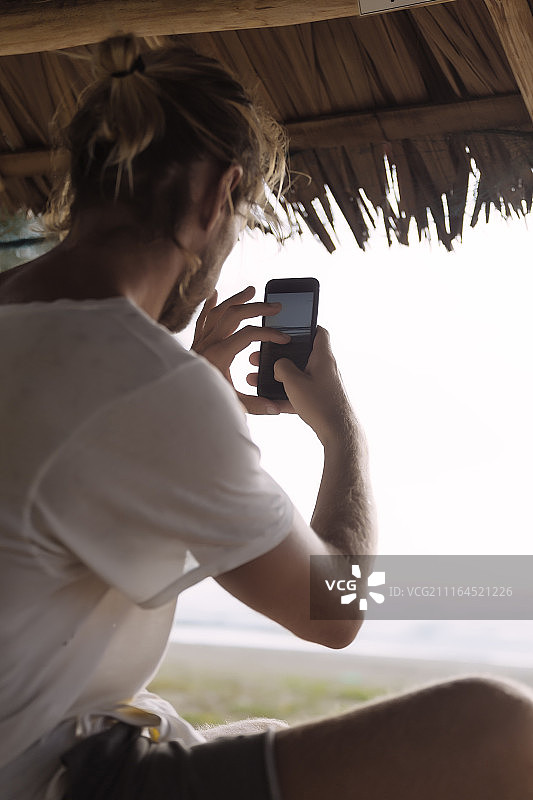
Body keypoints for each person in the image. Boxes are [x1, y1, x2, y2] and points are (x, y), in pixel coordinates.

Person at [1, 32, 532, 800]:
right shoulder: (144, 387)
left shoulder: (66, 350)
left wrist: (196, 381)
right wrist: (340, 428)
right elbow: (334, 609)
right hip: (53, 780)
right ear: (221, 193)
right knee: (498, 727)